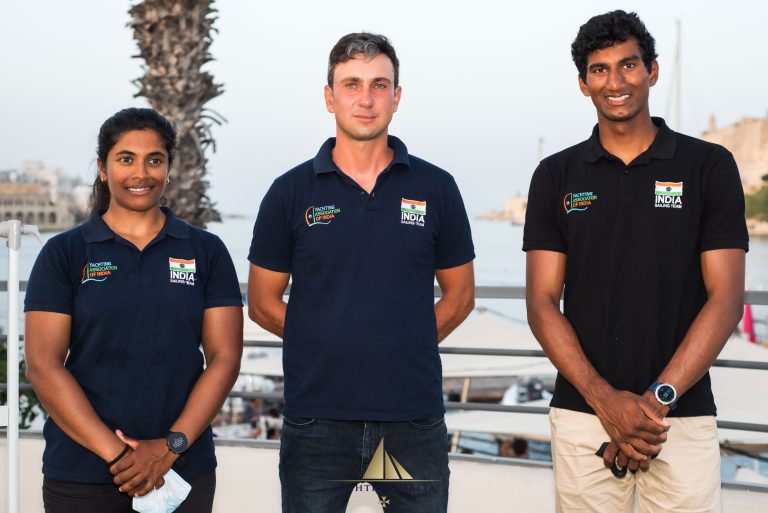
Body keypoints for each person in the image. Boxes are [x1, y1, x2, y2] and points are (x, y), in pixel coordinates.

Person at [524, 10, 748, 513]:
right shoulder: (555, 175)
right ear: (583, 83)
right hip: (583, 417)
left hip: (680, 417)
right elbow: (540, 302)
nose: (615, 82)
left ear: (653, 71)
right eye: (599, 70)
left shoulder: (708, 166)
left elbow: (726, 299)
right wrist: (605, 402)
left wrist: (653, 404)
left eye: (628, 65)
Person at [248, 33, 475, 513]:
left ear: (397, 96)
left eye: (379, 85)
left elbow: (460, 296)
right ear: (329, 97)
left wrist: (404, 343)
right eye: (351, 84)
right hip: (316, 418)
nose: (366, 99)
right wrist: (327, 342)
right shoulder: (288, 192)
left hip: (413, 418)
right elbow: (263, 302)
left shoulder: (438, 187)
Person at [24, 108, 244, 513]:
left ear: (169, 169)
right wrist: (122, 456)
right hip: (82, 473)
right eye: (126, 159)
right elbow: (42, 364)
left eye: (154, 160)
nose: (141, 173)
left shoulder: (206, 251)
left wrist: (170, 447)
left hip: (182, 470)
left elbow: (224, 357)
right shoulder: (64, 253)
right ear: (102, 168)